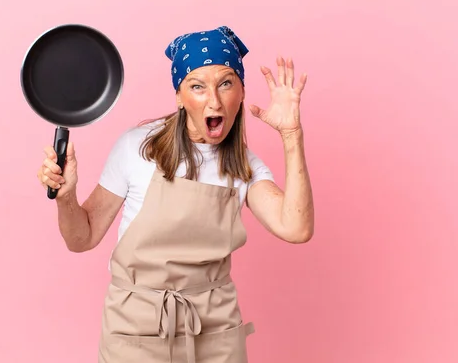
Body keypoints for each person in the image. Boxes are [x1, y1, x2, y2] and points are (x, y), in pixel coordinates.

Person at [36, 25, 314, 363]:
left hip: (215, 329)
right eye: (197, 86)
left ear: (241, 92)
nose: (213, 100)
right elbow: (82, 238)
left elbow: (296, 228)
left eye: (226, 83)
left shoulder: (245, 166)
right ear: (179, 97)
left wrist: (291, 134)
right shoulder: (137, 147)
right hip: (135, 327)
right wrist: (66, 196)